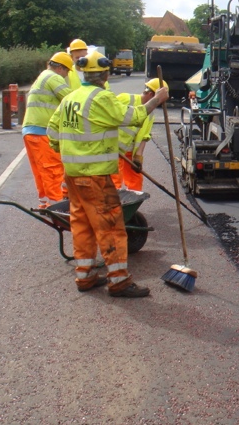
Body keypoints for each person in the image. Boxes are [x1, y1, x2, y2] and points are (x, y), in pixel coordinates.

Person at [47, 51, 169, 297]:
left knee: (82, 226)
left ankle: (85, 276)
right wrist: (157, 99)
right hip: (95, 178)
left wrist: (71, 149)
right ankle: (119, 281)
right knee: (111, 227)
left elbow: (51, 131)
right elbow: (133, 117)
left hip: (73, 176)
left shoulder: (71, 98)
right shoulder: (101, 98)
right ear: (104, 74)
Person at [22, 52, 73, 208]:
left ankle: (46, 203)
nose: (66, 77)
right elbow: (72, 99)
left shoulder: (42, 77)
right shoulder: (53, 78)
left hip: (31, 131)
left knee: (41, 171)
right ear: (61, 68)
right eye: (67, 72)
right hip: (42, 131)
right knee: (53, 169)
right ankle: (58, 206)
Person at [112, 78, 168, 191]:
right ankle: (113, 206)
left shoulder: (150, 114)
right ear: (152, 95)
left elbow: (144, 137)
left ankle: (132, 203)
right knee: (114, 180)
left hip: (129, 152)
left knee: (135, 179)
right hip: (113, 150)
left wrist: (138, 157)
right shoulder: (125, 98)